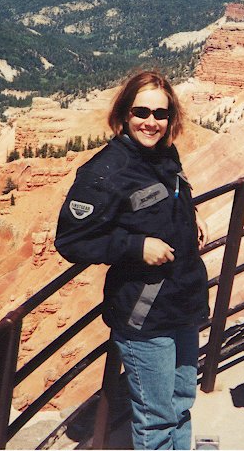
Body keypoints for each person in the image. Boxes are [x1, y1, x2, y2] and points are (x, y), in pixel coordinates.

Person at [54, 70, 209, 450]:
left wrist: (190, 215)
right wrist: (134, 246)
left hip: (184, 302)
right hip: (145, 314)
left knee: (182, 403)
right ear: (124, 114)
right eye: (142, 112)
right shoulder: (105, 172)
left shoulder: (163, 154)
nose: (151, 122)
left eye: (161, 113)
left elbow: (171, 191)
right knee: (156, 419)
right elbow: (71, 241)